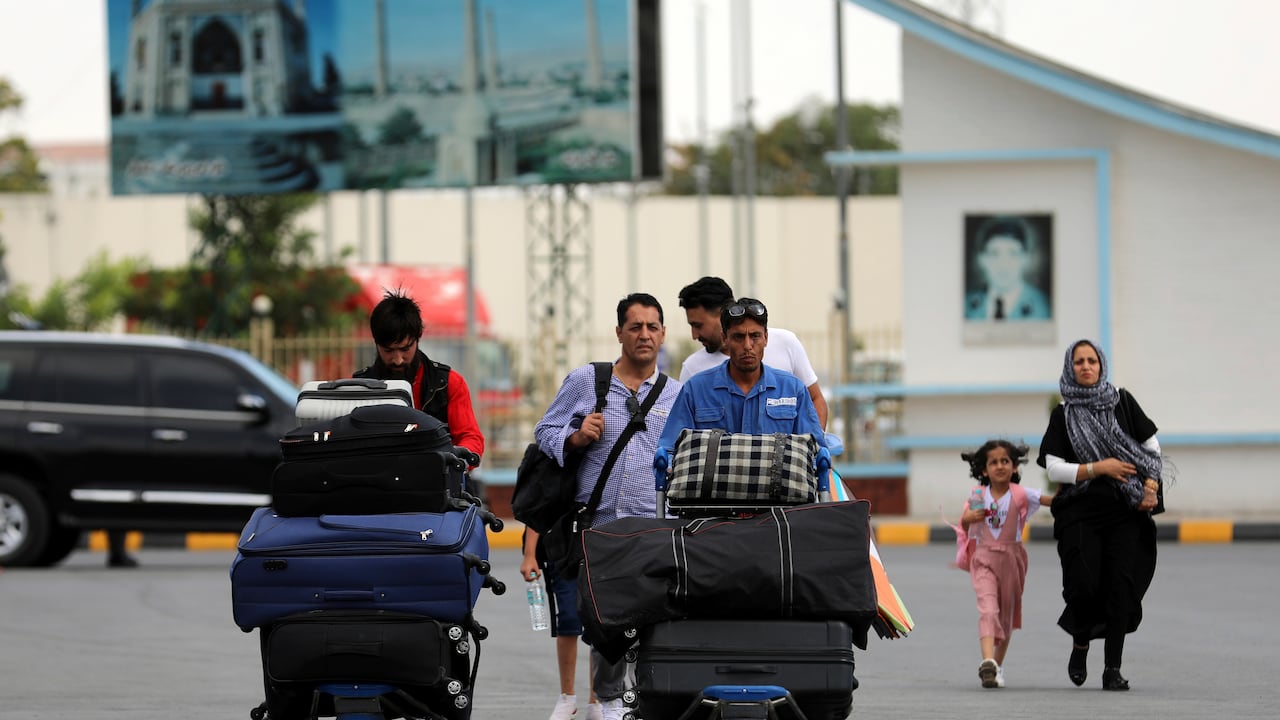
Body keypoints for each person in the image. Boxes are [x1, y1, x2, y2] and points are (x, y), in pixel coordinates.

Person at [531, 293, 681, 720]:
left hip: (654, 526)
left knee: (653, 619)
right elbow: (545, 430)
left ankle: (645, 699)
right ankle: (610, 703)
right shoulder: (588, 381)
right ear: (619, 333)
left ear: (663, 334)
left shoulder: (677, 394)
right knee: (607, 619)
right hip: (599, 527)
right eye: (635, 327)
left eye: (652, 327)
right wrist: (575, 437)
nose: (644, 335)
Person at [1036, 339, 1163, 691]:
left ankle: (1112, 669)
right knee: (1084, 583)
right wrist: (1100, 467)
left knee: (1119, 586)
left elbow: (1151, 447)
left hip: (1124, 508)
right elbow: (1054, 467)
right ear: (1070, 367)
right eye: (1079, 362)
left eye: (1092, 360)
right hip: (1081, 510)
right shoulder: (1063, 414)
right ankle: (1080, 643)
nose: (1086, 366)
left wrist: (1150, 487)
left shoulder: (1122, 402)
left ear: (1101, 365)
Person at [658, 297, 826, 459]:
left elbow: (815, 451)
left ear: (766, 338)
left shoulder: (793, 389)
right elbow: (670, 450)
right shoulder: (695, 390)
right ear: (725, 339)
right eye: (738, 337)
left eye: (755, 336)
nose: (747, 346)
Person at [958, 440, 1053, 689]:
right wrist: (968, 518)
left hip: (1013, 560)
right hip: (984, 559)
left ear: (1014, 467)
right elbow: (964, 526)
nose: (1000, 466)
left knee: (1007, 616)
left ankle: (995, 668)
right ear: (984, 470)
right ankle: (987, 661)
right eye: (993, 462)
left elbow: (1051, 501)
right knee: (988, 610)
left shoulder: (1021, 494)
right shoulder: (978, 496)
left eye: (1005, 461)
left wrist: (1073, 487)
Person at [676, 276, 829, 429]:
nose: (694, 335)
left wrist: (814, 440)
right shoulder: (693, 373)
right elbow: (680, 431)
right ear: (725, 337)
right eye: (738, 337)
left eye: (698, 325)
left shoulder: (786, 344)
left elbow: (815, 399)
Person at [353, 289, 485, 460]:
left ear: (418, 337)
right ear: (376, 343)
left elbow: (470, 437)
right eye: (388, 351)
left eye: (405, 349)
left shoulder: (449, 383)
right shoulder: (359, 387)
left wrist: (454, 460)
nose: (398, 360)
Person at [964, 215, 1051, 321]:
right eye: (994, 253)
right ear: (982, 259)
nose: (1003, 264)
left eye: (1013, 253)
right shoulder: (964, 306)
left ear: (1025, 259)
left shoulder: (1046, 308)